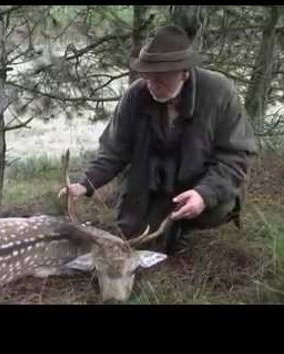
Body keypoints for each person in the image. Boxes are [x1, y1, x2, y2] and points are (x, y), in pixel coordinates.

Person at [60, 24, 258, 255]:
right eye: (146, 76)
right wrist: (84, 183)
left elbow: (236, 156)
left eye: (161, 78)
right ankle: (161, 222)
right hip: (149, 185)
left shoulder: (219, 93)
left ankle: (185, 227)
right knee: (131, 241)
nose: (151, 85)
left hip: (197, 183)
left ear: (185, 73)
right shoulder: (137, 94)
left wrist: (204, 194)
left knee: (217, 205)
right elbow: (114, 150)